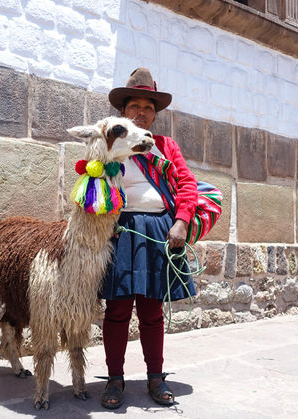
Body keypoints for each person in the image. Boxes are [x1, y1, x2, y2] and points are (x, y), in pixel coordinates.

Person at [100, 68, 200, 409]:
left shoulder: (166, 147)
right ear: (124, 111)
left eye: (148, 107)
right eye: (135, 105)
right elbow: (94, 185)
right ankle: (115, 380)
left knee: (151, 310)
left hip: (158, 230)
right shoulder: (110, 144)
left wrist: (182, 221)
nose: (141, 112)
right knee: (116, 310)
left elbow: (187, 185)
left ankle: (155, 378)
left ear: (154, 114)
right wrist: (102, 222)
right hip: (119, 231)